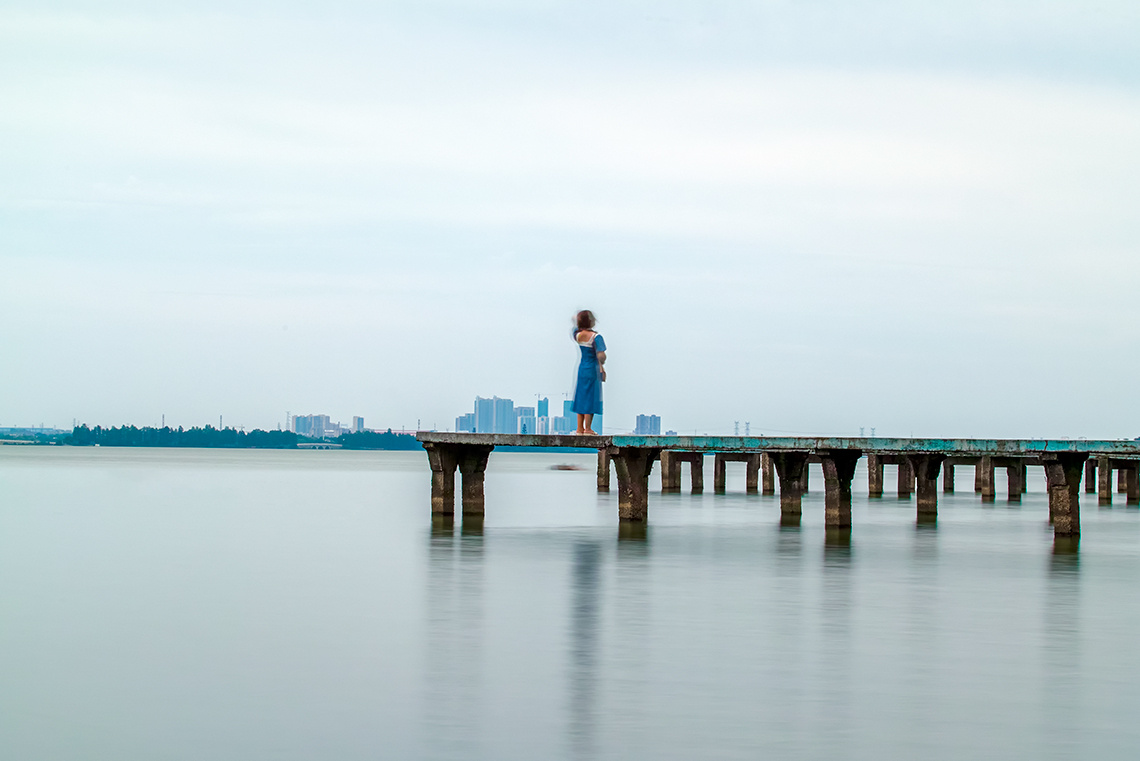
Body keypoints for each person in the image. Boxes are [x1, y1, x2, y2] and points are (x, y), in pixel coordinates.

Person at [570, 310, 606, 435]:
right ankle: (588, 428)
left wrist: (577, 320)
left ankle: (579, 428)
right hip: (592, 369)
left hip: (582, 368)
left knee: (581, 397)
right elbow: (601, 356)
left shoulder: (578, 335)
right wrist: (602, 364)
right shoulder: (596, 337)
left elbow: (574, 328)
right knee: (590, 398)